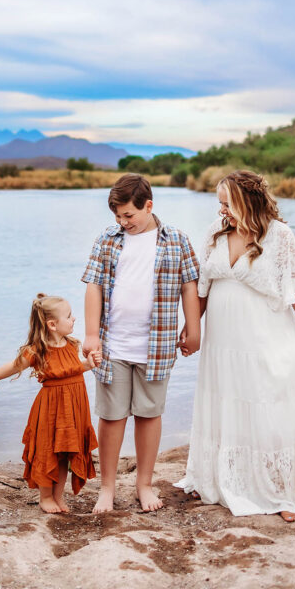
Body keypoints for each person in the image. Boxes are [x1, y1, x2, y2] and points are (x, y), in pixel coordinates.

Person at [177, 170, 295, 524]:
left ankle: (279, 488)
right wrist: (192, 328)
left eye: (228, 204)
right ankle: (214, 478)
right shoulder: (215, 233)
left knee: (266, 403)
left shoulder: (280, 235)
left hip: (263, 335)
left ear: (247, 201)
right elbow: (202, 286)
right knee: (225, 400)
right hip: (223, 340)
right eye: (220, 203)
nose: (222, 210)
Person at [81, 173, 201, 514]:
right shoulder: (108, 238)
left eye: (129, 215)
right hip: (112, 345)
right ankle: (106, 487)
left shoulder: (176, 240)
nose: (123, 222)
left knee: (149, 414)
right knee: (112, 415)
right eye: (117, 216)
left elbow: (190, 287)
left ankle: (144, 484)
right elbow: (94, 285)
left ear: (148, 206)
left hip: (157, 346)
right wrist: (91, 335)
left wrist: (194, 329)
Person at [0, 294, 98, 514]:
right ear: (52, 325)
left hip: (74, 407)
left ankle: (58, 496)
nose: (74, 319)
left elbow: (72, 369)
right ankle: (45, 497)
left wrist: (89, 364)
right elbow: (14, 366)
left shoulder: (71, 344)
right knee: (48, 452)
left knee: (66, 452)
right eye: (69, 316)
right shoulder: (37, 350)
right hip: (51, 408)